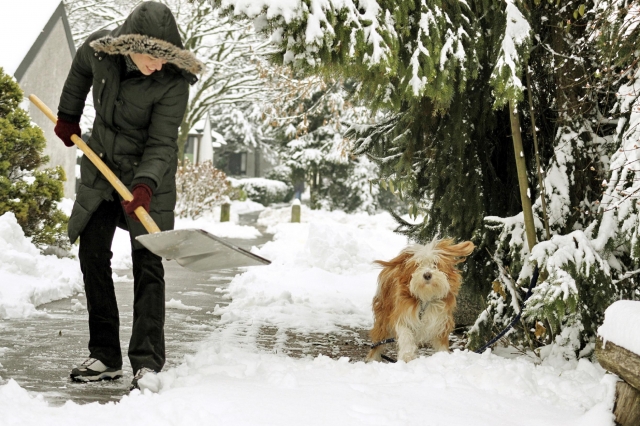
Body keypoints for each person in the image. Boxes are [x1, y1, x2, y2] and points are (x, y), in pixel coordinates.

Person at [55, 1, 202, 390]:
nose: (156, 64)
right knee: (92, 252)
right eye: (149, 56)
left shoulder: (173, 83)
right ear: (128, 45)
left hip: (148, 180)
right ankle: (105, 355)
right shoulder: (99, 50)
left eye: (163, 57)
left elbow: (162, 142)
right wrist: (68, 114)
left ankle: (147, 363)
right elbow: (80, 70)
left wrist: (145, 184)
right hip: (102, 168)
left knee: (148, 265)